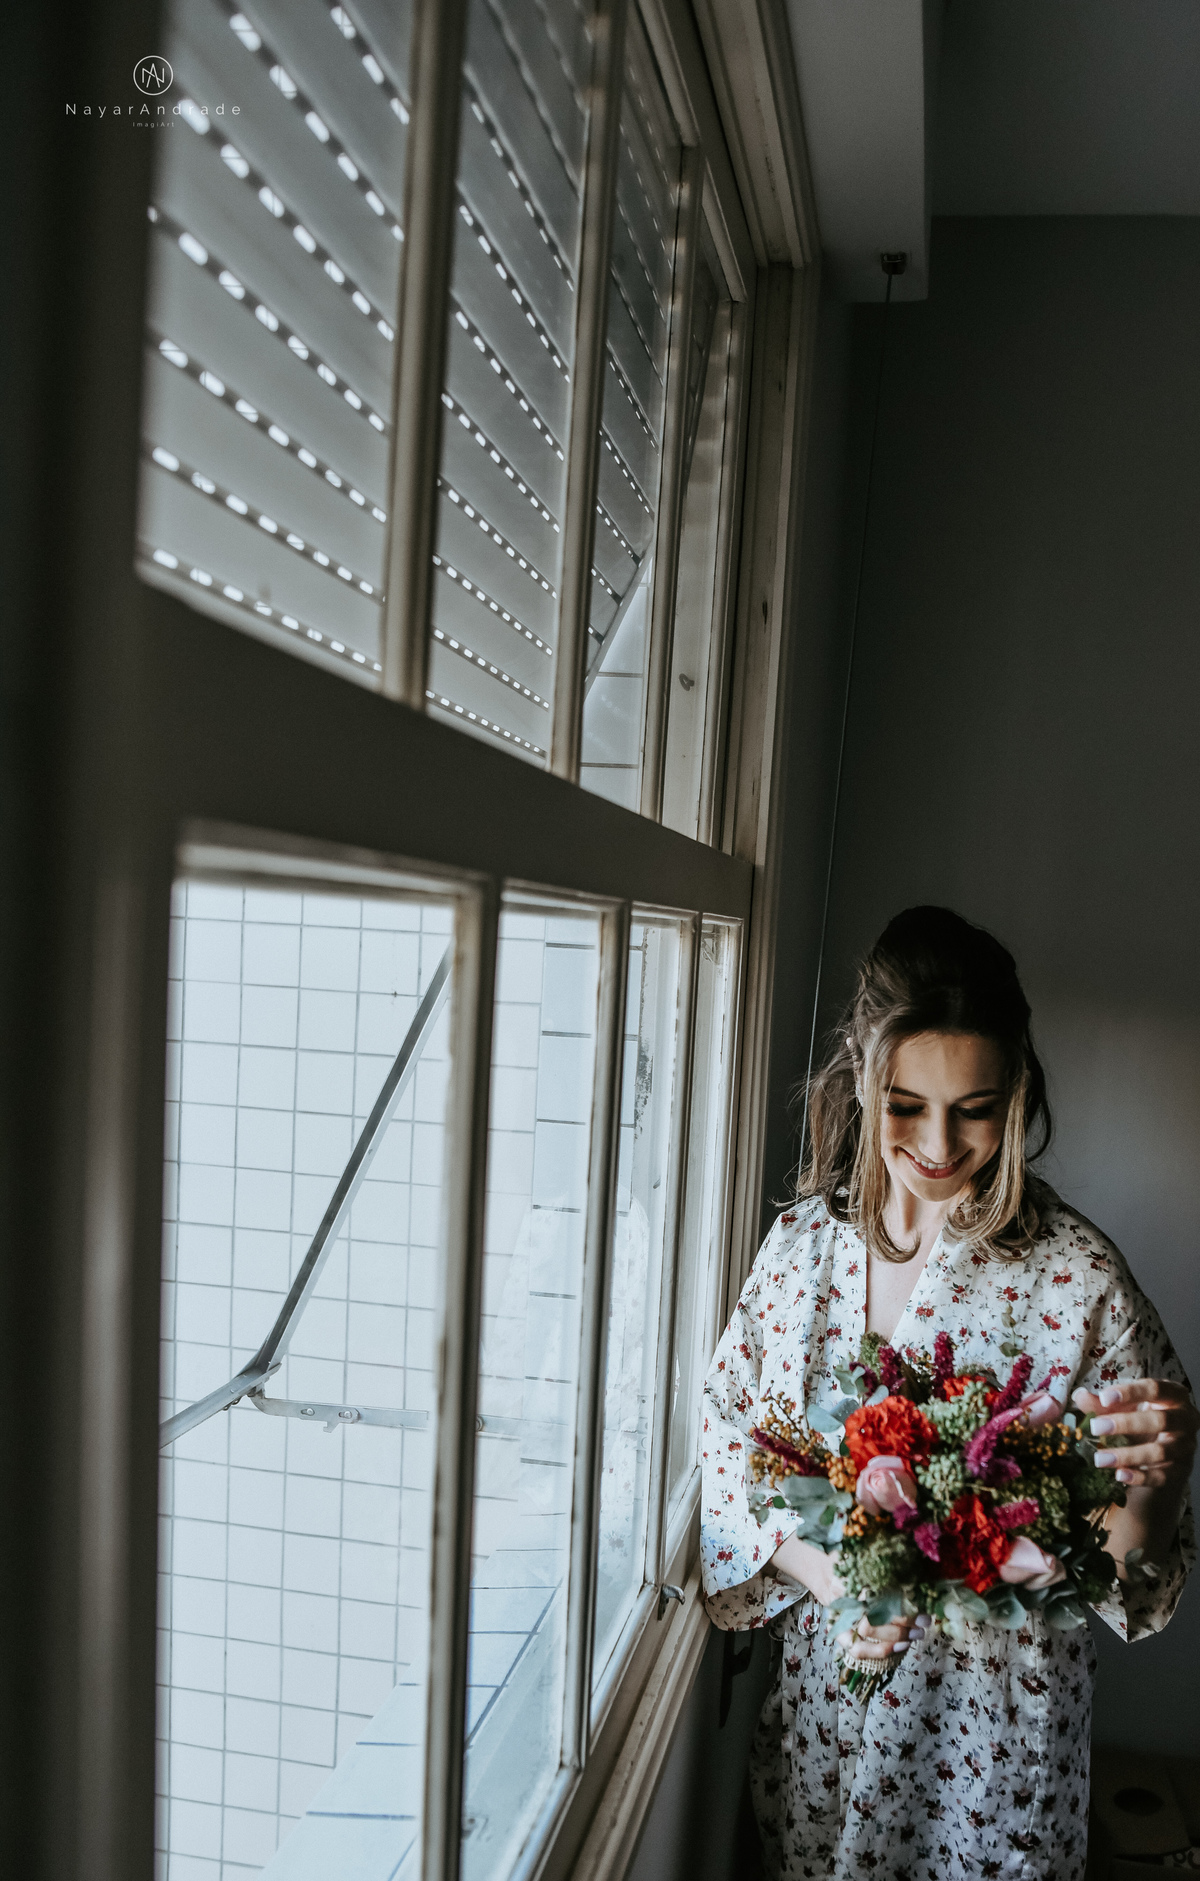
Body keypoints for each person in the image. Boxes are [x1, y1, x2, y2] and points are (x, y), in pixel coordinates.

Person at [700, 906, 1196, 1881]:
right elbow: (731, 1456)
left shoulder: (1078, 1279)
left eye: (975, 1107)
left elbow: (1130, 1573)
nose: (938, 1143)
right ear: (860, 1076)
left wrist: (1161, 1485)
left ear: (1017, 1095)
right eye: (905, 1104)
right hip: (834, 1709)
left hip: (1001, 1735)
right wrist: (827, 1576)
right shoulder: (803, 1251)